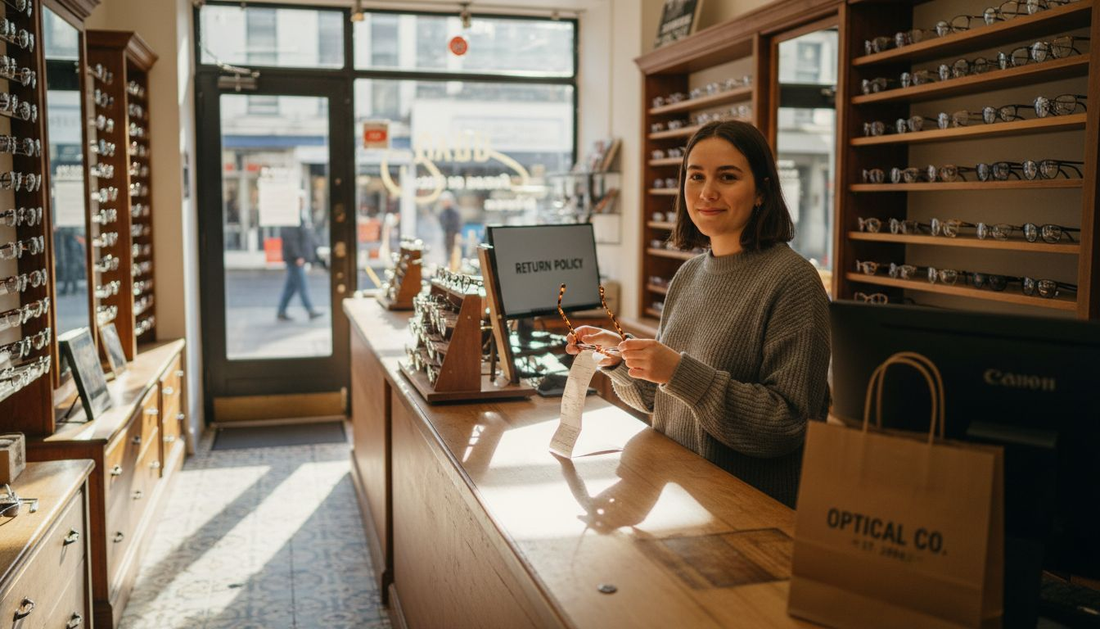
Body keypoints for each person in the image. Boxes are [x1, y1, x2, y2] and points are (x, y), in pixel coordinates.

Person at [566, 120, 830, 508]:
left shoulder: (793, 281)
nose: (707, 192)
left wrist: (677, 371)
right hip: (679, 491)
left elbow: (785, 425)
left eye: (727, 177)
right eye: (696, 176)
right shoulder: (689, 274)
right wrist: (620, 359)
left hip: (748, 512)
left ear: (762, 191)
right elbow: (663, 402)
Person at [276, 202, 323, 322]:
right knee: (302, 286)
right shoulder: (291, 219)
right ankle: (310, 310)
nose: (303, 203)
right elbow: (290, 240)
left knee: (290, 287)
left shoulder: (298, 217)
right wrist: (298, 256)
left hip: (297, 258)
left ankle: (281, 310)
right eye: (300, 201)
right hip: (295, 260)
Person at [437, 191, 461, 265]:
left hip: (453, 235)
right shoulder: (442, 212)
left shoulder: (454, 212)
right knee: (447, 253)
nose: (444, 203)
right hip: (446, 235)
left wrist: (457, 234)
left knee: (454, 253)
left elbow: (457, 224)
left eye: (446, 201)